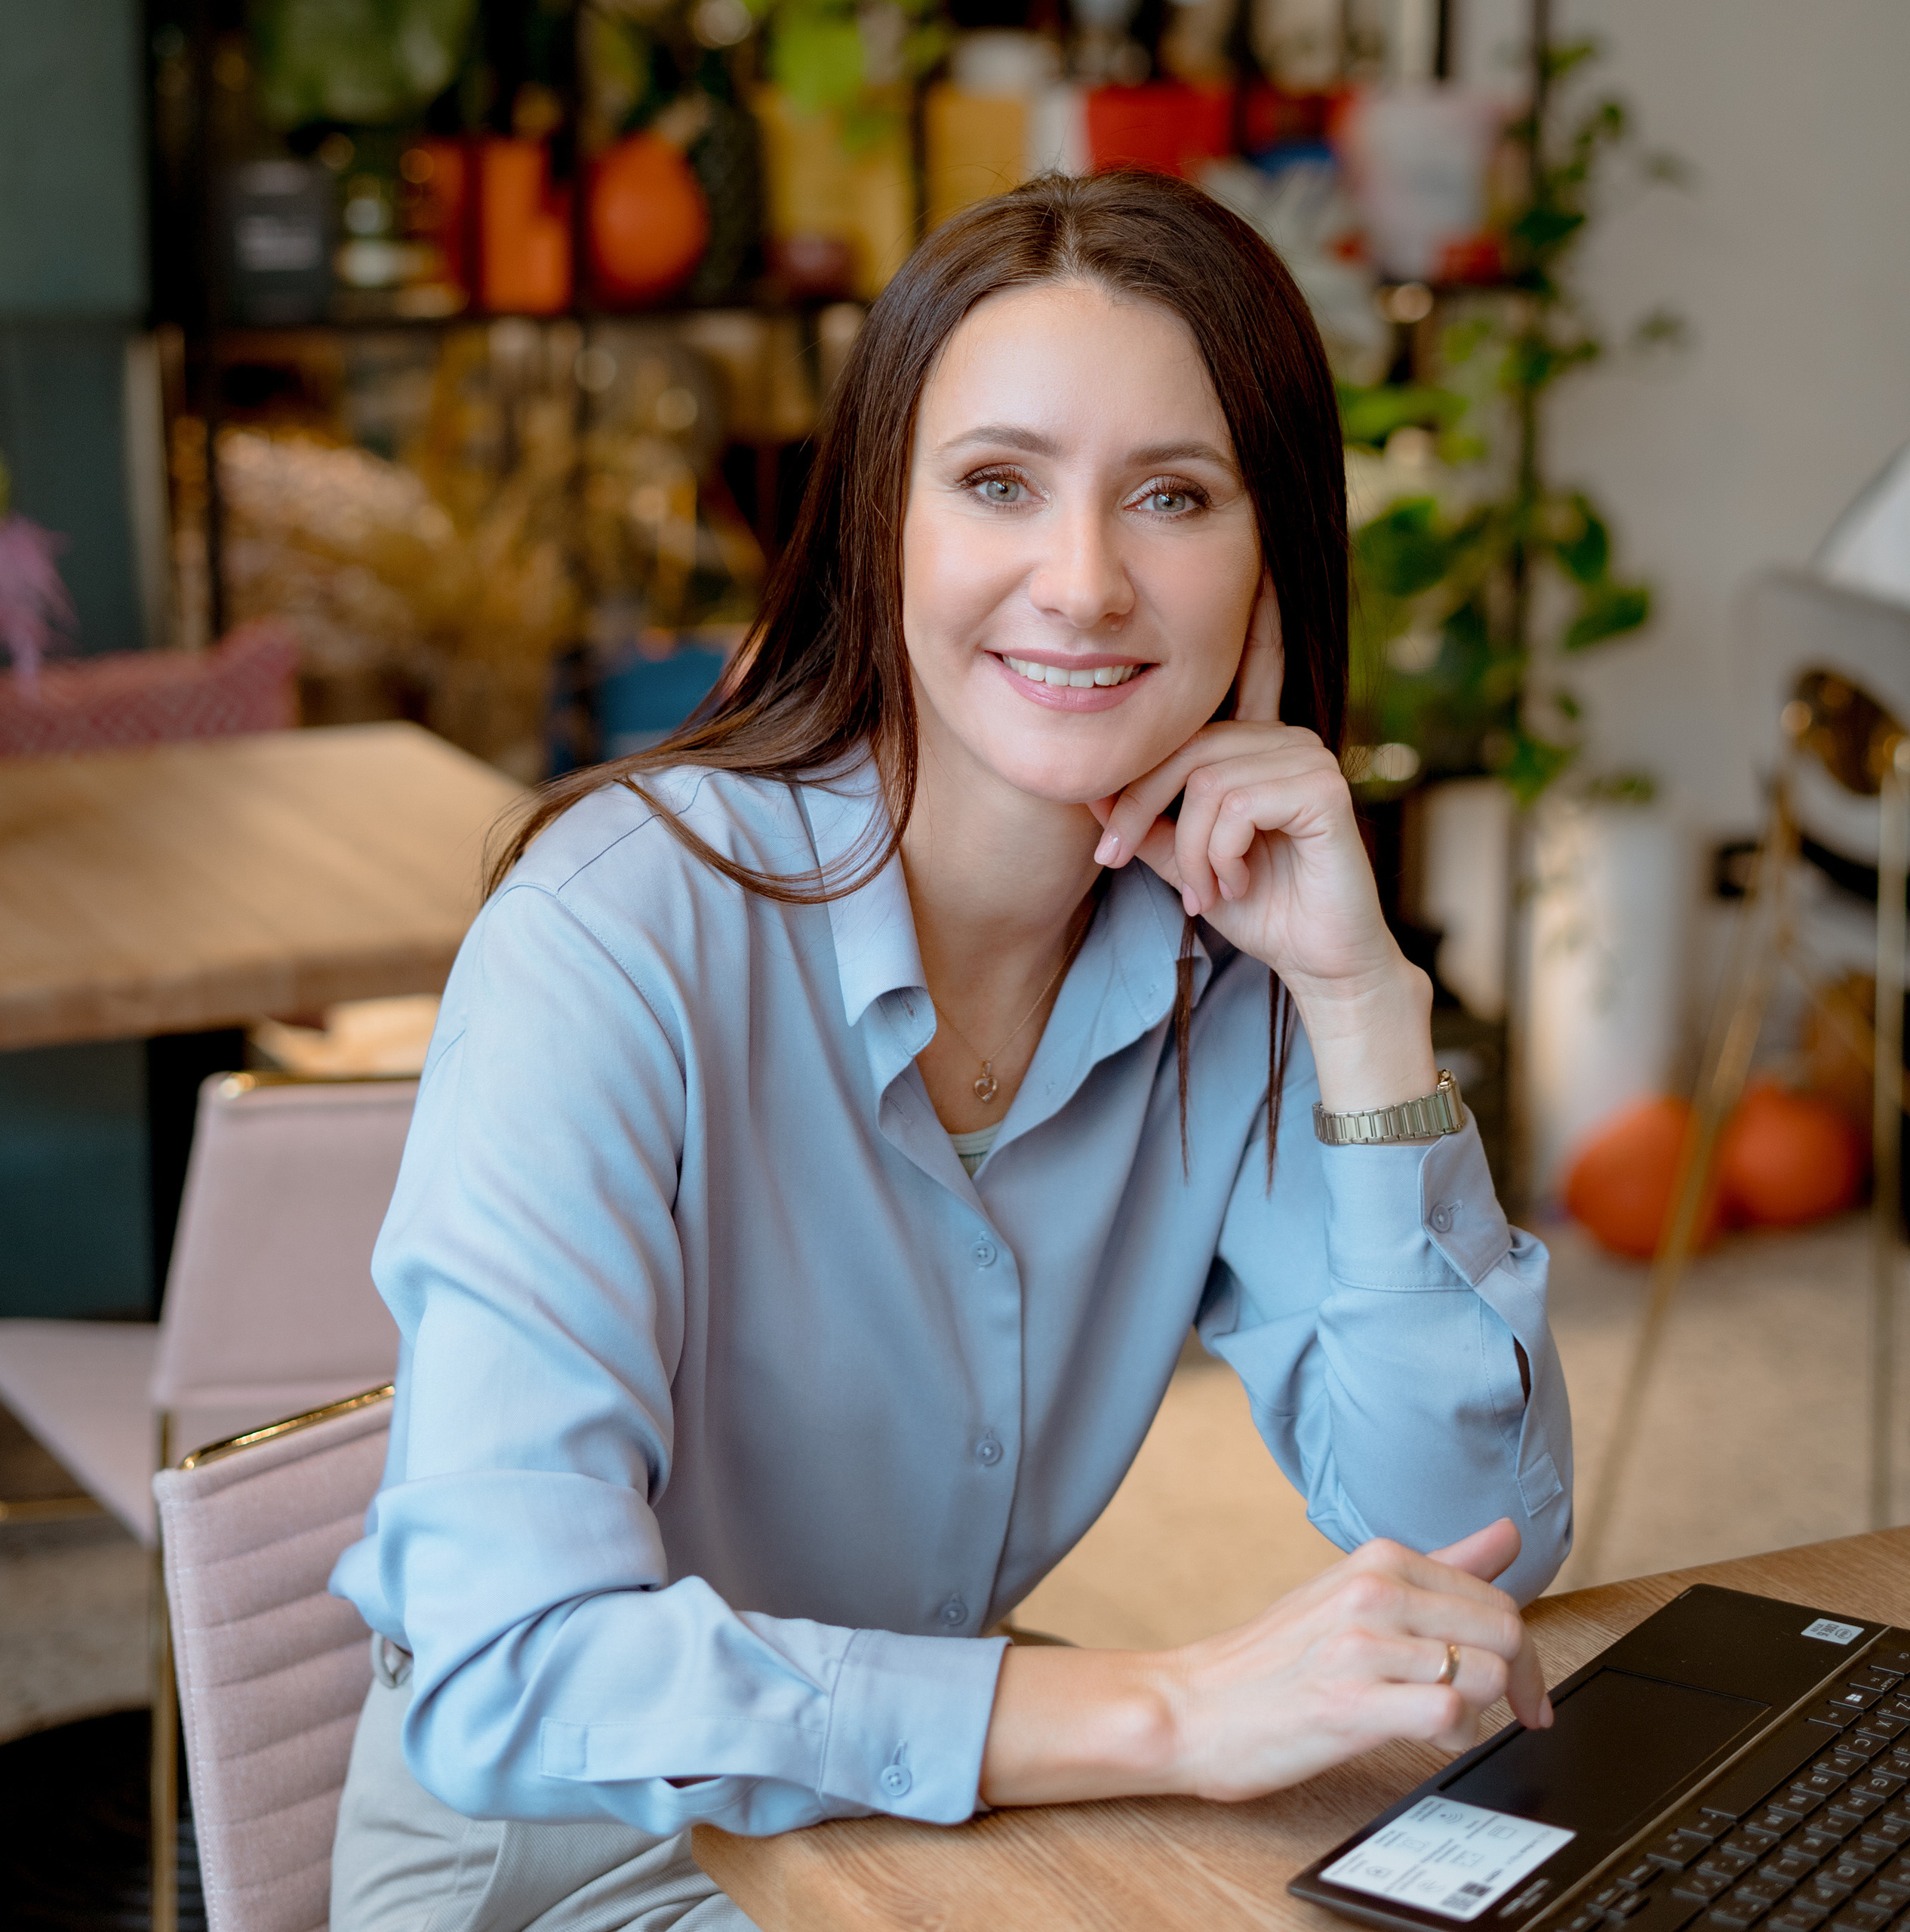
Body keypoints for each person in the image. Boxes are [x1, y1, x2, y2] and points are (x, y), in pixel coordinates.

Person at [328, 170, 1572, 1932]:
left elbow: (1470, 1538)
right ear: (881, 528)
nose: (1081, 581)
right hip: (573, 1865)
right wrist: (1170, 1707)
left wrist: (1361, 999)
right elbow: (512, 1665)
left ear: (1267, 567)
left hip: (927, 1827)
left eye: (1171, 495)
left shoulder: (1232, 956)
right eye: (998, 482)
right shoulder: (612, 933)